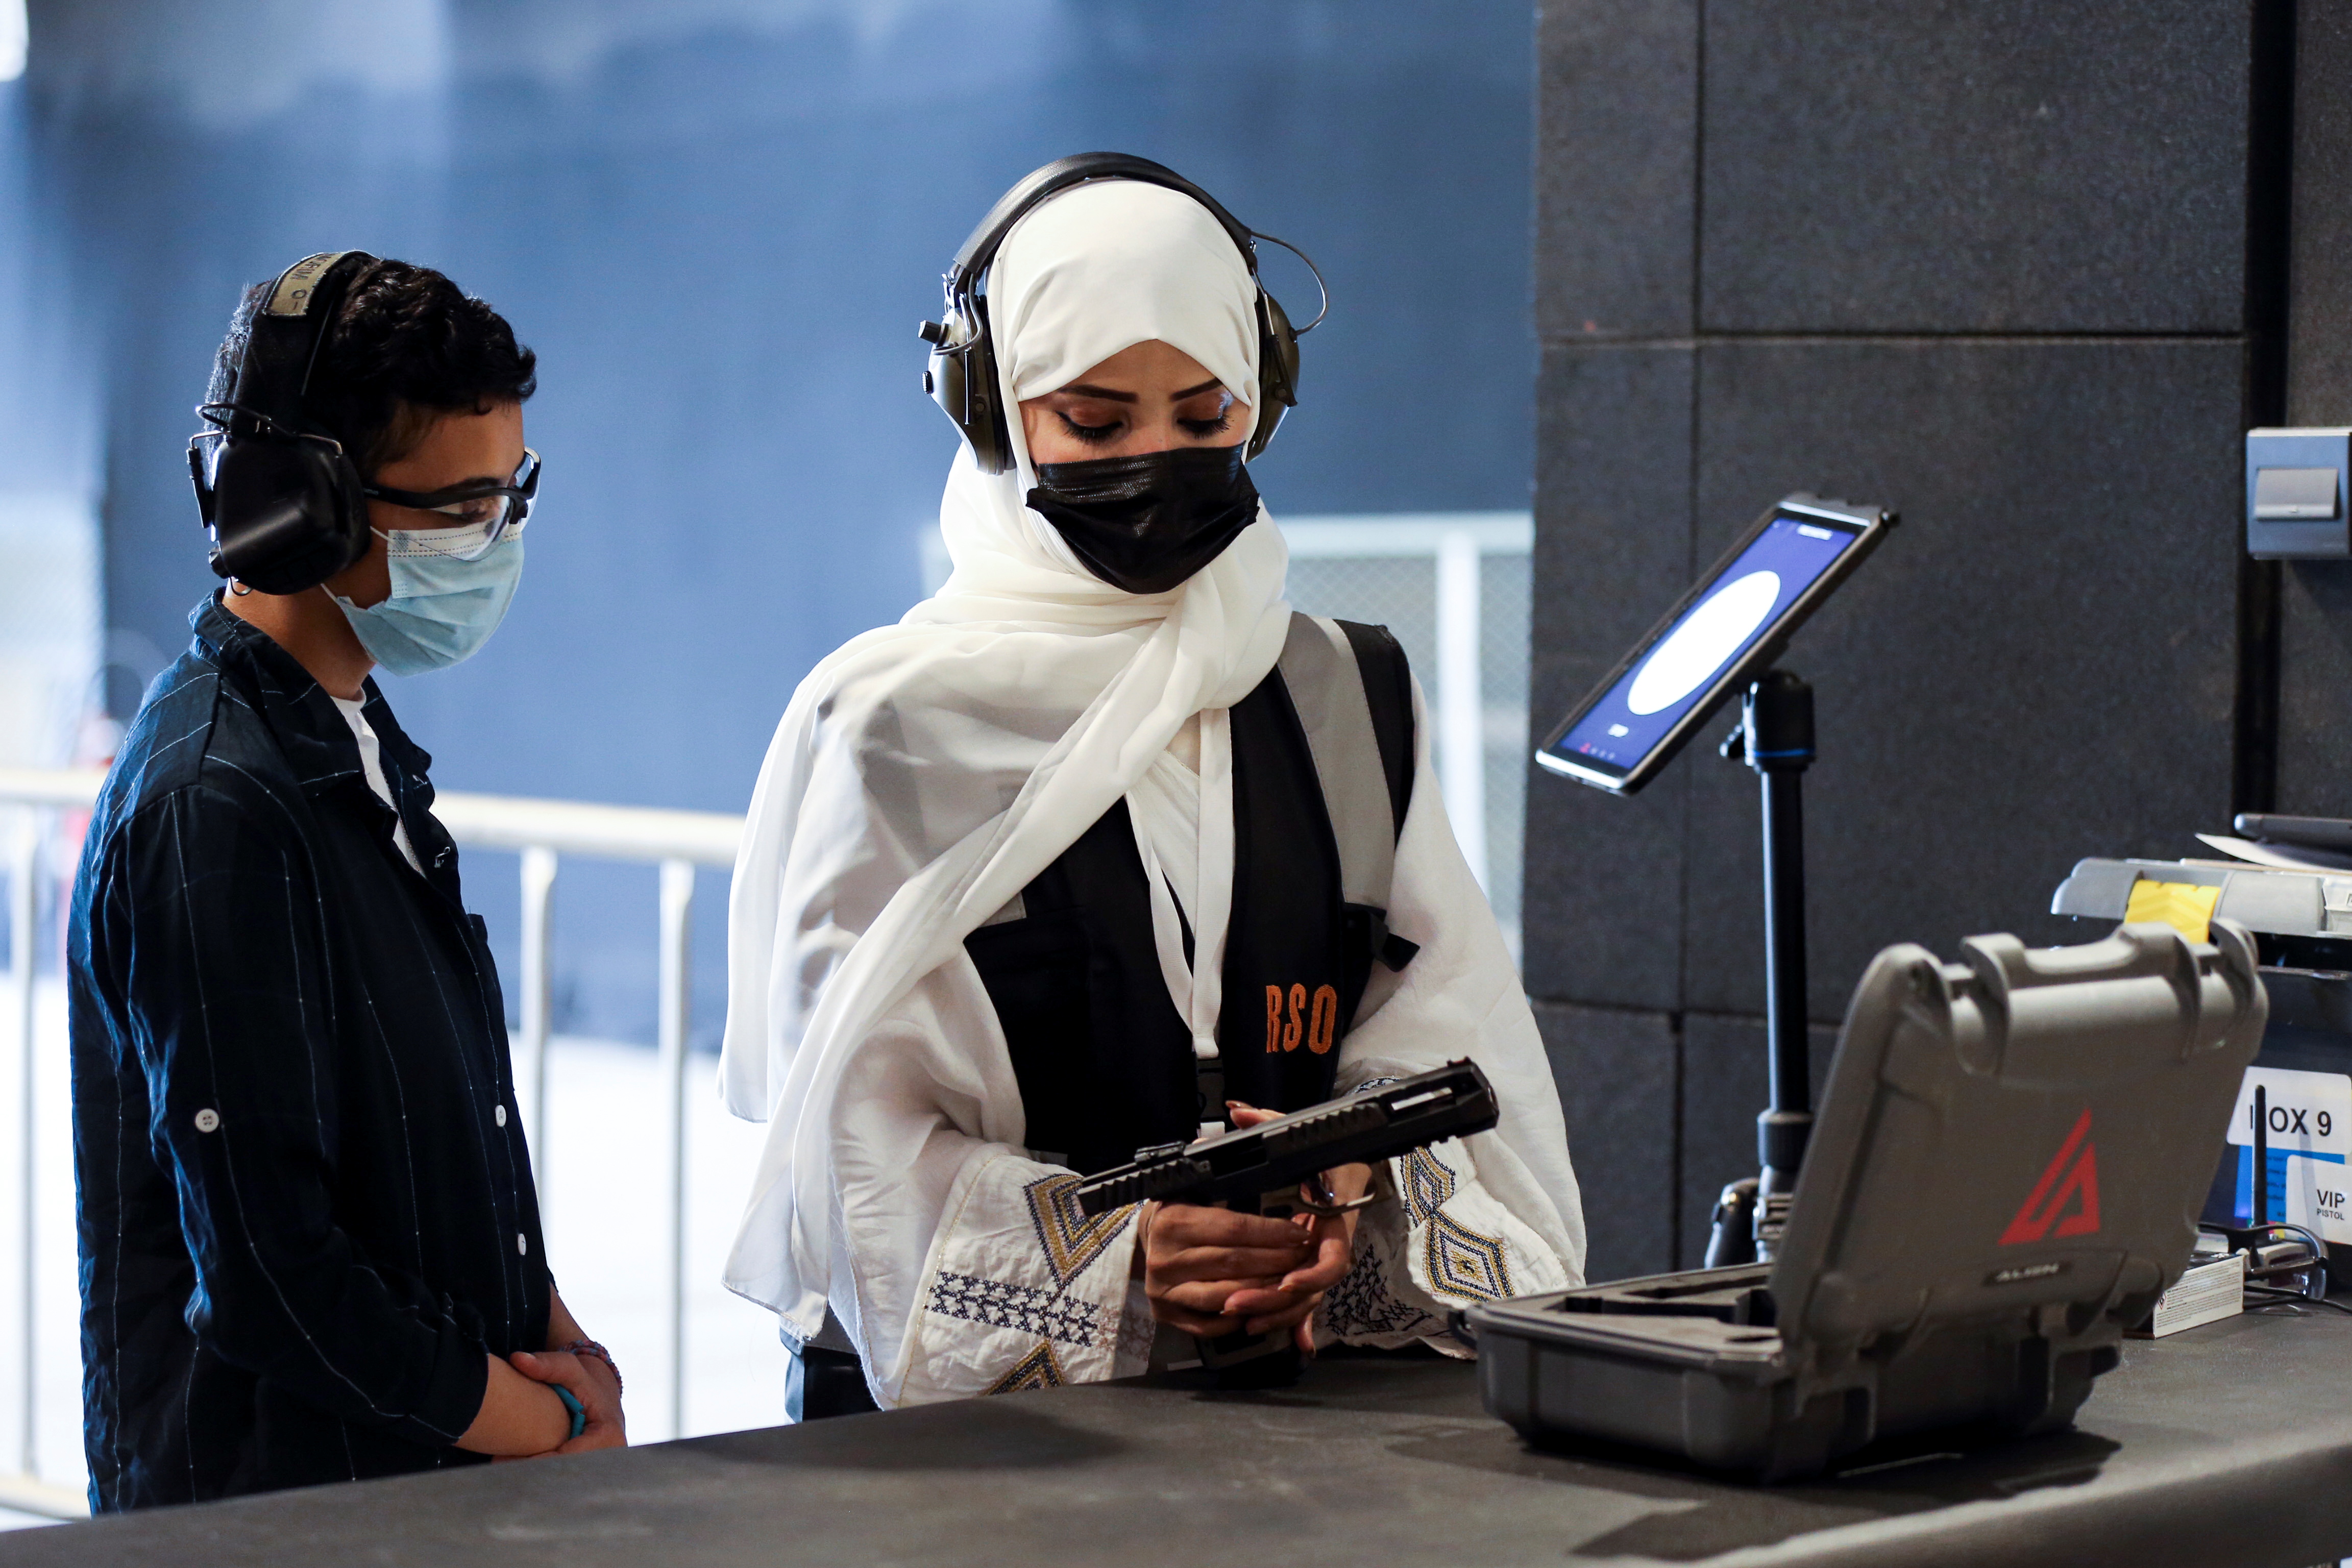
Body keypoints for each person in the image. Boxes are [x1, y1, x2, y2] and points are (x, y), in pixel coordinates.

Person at [720, 158, 1586, 1416]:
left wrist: (1353, 1192)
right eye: (1095, 420)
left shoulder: (1347, 689)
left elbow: (1447, 1031)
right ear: (992, 412)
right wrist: (1113, 1255)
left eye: (1204, 413)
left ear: (1264, 402)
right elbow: (852, 1147)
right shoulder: (892, 723)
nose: (1158, 459)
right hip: (976, 1454)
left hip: (1290, 1414)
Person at [68, 254, 625, 1510]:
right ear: (300, 508)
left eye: (513, 496)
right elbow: (273, 1277)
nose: (499, 543)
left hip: (416, 1480)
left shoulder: (350, 745)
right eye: (465, 509)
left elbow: (446, 1151)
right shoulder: (213, 807)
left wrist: (565, 1351)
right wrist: (551, 1423)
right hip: (284, 1512)